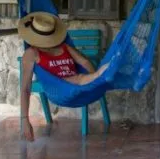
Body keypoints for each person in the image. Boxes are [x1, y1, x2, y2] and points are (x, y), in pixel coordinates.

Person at [18, 11, 109, 142]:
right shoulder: (31, 53)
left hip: (78, 83)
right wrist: (25, 120)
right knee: (80, 79)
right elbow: (25, 88)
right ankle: (99, 75)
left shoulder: (64, 46)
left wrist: (93, 81)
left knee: (81, 79)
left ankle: (97, 77)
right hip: (58, 87)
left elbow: (84, 61)